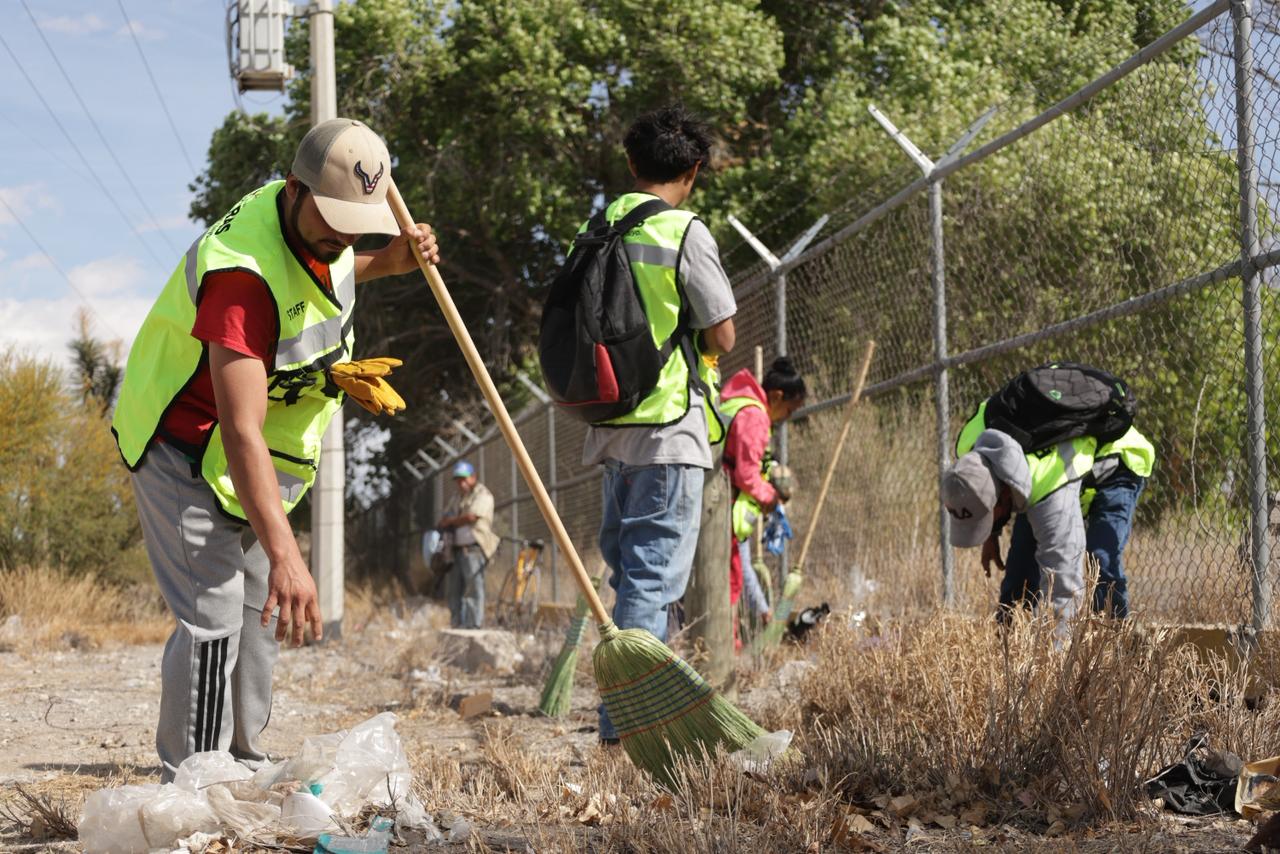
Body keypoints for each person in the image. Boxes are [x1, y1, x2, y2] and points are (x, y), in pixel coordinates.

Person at [111, 118, 439, 781]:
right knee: (213, 614)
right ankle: (195, 776)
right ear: (295, 189)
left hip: (254, 458)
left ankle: (242, 754)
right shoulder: (241, 277)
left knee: (262, 612)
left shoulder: (327, 224)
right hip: (183, 442)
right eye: (335, 222)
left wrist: (397, 258)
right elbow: (241, 431)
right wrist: (290, 552)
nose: (345, 238)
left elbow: (339, 266)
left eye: (357, 224)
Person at [580, 105, 737, 743]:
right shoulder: (682, 231)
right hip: (668, 429)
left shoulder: (596, 227)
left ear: (630, 163)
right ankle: (629, 728)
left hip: (609, 428)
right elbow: (721, 330)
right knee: (651, 578)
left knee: (628, 576)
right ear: (693, 171)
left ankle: (628, 713)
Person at [943, 426, 1097, 629]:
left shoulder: (1049, 498)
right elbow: (983, 491)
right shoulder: (968, 455)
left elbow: (1064, 593)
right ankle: (1010, 642)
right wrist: (992, 533)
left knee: (1089, 568)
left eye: (985, 519)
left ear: (1005, 496)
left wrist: (1051, 657)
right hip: (1026, 483)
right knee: (1018, 582)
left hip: (1114, 463)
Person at [996, 426, 1154, 618]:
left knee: (1101, 556)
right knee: (1022, 556)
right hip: (1054, 472)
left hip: (1115, 465)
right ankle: (1013, 635)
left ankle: (1114, 636)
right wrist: (992, 531)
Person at [719, 357, 807, 634]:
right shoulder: (755, 417)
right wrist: (770, 498)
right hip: (722, 506)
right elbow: (746, 475)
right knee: (730, 581)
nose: (787, 418)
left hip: (713, 500)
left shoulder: (738, 404)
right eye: (789, 410)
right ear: (777, 396)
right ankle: (723, 654)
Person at [436, 461, 500, 628]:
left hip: (474, 549)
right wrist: (449, 521)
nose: (461, 483)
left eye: (464, 479)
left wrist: (451, 521)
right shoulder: (457, 498)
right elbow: (444, 518)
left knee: (473, 588)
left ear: (473, 477)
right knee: (454, 590)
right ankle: (456, 624)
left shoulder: (483, 494)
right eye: (458, 479)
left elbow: (471, 517)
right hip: (456, 550)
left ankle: (473, 626)